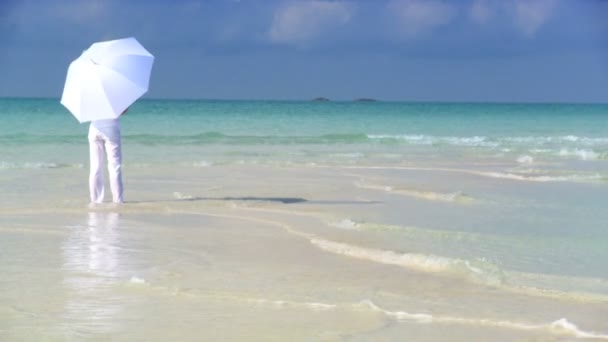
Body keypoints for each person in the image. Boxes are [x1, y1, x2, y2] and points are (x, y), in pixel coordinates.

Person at [88, 109, 127, 204]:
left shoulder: (90, 95)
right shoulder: (114, 94)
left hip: (95, 129)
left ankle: (95, 201)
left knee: (95, 167)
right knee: (114, 167)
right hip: (111, 129)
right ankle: (118, 200)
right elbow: (123, 111)